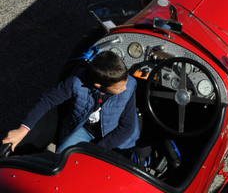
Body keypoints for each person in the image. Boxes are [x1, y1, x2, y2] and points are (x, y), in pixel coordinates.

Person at [2, 51, 140, 153]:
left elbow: (127, 128)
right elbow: (48, 100)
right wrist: (23, 129)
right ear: (99, 85)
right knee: (62, 159)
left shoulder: (129, 87)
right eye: (118, 87)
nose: (125, 88)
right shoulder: (76, 82)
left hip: (116, 139)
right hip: (85, 130)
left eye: (126, 82)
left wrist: (97, 149)